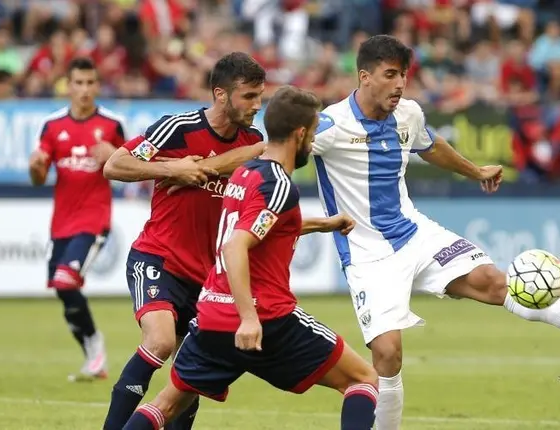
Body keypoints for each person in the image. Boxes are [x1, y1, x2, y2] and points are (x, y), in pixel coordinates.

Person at [311, 34, 560, 429]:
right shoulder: (331, 125)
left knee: (492, 281)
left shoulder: (408, 113)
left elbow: (430, 145)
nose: (400, 84)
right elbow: (276, 152)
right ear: (364, 76)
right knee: (388, 355)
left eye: (403, 75)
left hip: (414, 232)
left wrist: (475, 171)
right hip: (367, 253)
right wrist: (216, 171)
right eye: (390, 75)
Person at [122, 85, 379, 430]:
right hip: (265, 318)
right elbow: (236, 245)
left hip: (211, 315)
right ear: (300, 133)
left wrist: (323, 224)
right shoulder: (280, 185)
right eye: (314, 132)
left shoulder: (245, 174)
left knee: (164, 406)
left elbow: (258, 227)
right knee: (363, 378)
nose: (313, 142)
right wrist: (249, 317)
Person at [101, 52, 267, 430]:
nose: (257, 105)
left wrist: (206, 168)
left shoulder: (253, 140)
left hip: (207, 278)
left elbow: (255, 163)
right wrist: (170, 167)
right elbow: (114, 165)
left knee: (191, 374)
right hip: (159, 259)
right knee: (159, 343)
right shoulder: (177, 127)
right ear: (221, 95)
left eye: (260, 96)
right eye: (249, 96)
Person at [28, 57, 127, 382]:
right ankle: (92, 357)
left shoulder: (111, 125)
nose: (84, 90)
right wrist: (36, 165)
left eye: (90, 83)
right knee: (61, 287)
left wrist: (113, 154)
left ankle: (95, 346)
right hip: (61, 224)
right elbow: (39, 178)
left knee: (66, 280)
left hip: (94, 219)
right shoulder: (53, 126)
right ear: (68, 86)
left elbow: (132, 167)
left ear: (98, 86)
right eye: (78, 83)